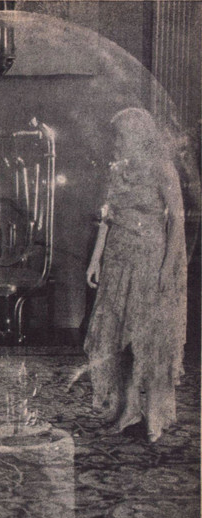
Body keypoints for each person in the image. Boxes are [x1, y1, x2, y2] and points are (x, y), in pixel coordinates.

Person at [83, 107, 186, 443]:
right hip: (117, 261)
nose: (117, 142)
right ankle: (129, 410)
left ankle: (155, 414)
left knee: (151, 340)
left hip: (150, 261)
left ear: (141, 136)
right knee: (120, 339)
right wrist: (95, 260)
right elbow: (107, 218)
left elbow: (177, 220)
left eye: (122, 135)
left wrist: (168, 267)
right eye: (117, 136)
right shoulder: (117, 170)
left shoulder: (163, 168)